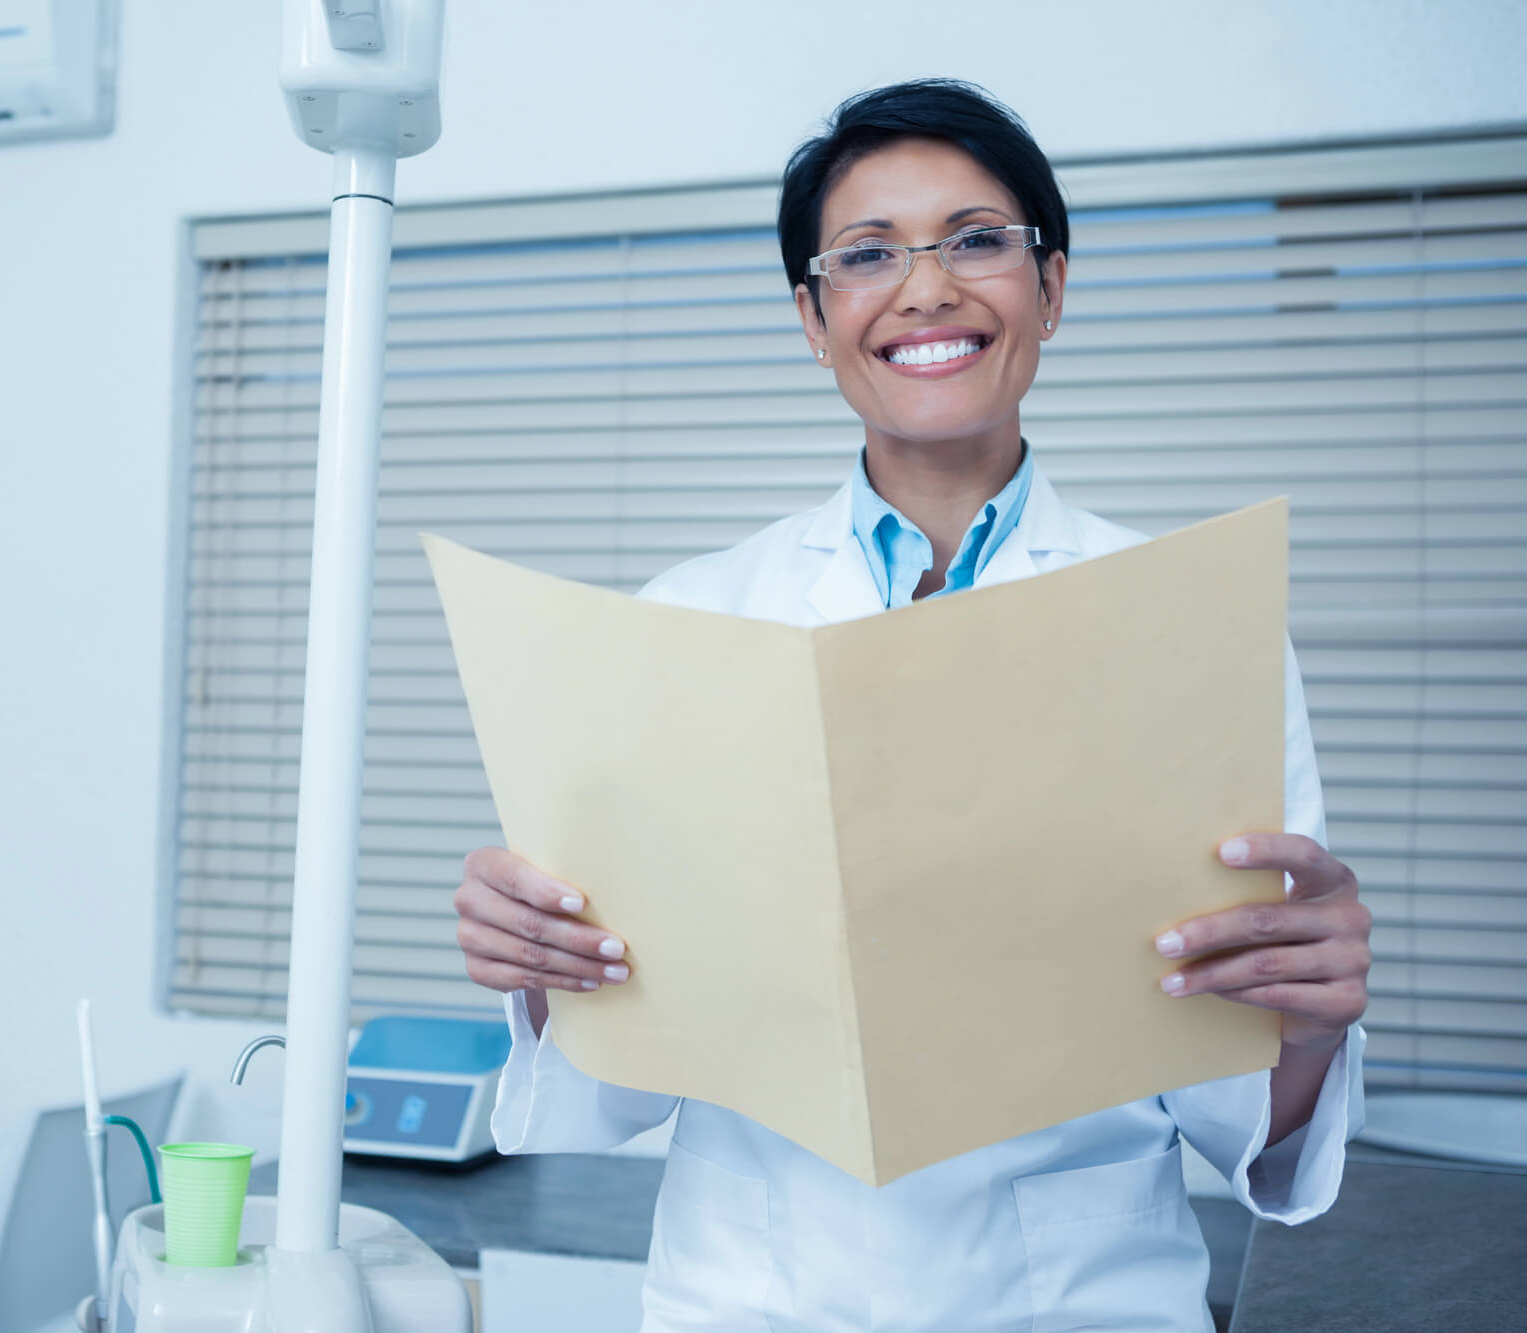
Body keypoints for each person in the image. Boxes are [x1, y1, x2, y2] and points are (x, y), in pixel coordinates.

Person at [450, 80, 1371, 1331]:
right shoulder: (684, 624)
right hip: (748, 1298)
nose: (926, 288)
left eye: (976, 239)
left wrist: (1307, 1019)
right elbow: (606, 1096)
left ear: (1048, 286)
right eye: (868, 255)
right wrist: (541, 962)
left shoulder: (1189, 626)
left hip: (1077, 1301)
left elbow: (1243, 1122)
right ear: (813, 318)